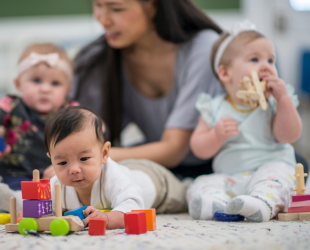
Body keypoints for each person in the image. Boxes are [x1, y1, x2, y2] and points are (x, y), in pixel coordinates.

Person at [73, 0, 223, 178]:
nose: (103, 19)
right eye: (97, 5)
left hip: (214, 171)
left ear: (152, 7)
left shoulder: (203, 47)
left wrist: (87, 157)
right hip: (157, 168)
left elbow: (173, 150)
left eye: (116, 8)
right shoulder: (97, 58)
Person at [186, 22, 302, 222]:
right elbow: (198, 148)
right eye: (255, 59)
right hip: (231, 176)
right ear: (225, 73)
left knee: (276, 180)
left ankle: (261, 203)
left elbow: (289, 136)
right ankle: (217, 203)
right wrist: (215, 136)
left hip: (270, 167)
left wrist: (283, 100)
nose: (266, 66)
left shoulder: (276, 101)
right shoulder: (212, 106)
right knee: (201, 183)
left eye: (271, 60)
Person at [45, 106, 188, 229]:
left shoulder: (113, 177)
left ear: (104, 153)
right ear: (51, 159)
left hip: (156, 180)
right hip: (126, 168)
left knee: (184, 195)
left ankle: (190, 185)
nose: (74, 169)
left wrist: (108, 218)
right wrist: (28, 213)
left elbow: (133, 207)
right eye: (62, 163)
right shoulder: (56, 185)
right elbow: (42, 207)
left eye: (84, 159)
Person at [0, 43, 78, 192]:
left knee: (71, 191)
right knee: (12, 196)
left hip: (58, 174)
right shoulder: (11, 105)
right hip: (16, 175)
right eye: (36, 80)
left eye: (55, 83)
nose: (45, 89)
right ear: (18, 84)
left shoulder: (71, 111)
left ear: (67, 90)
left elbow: (95, 131)